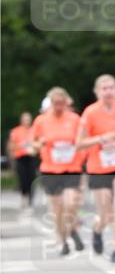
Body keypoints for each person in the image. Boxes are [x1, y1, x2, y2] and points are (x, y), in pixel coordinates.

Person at [77, 74, 115, 268]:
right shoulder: (90, 113)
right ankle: (97, 229)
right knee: (106, 215)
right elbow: (79, 143)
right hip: (98, 167)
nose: (109, 91)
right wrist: (101, 139)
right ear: (97, 92)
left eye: (111, 88)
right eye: (104, 88)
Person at [32, 88, 85, 255]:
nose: (59, 107)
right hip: (50, 169)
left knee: (70, 203)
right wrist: (39, 144)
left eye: (62, 103)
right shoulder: (41, 121)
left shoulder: (75, 119)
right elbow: (32, 145)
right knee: (57, 208)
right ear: (50, 103)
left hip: (71, 167)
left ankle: (71, 228)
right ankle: (62, 241)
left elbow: (83, 141)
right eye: (55, 103)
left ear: (66, 103)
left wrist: (79, 154)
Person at [8, 112, 36, 208]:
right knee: (23, 178)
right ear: (21, 120)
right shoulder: (16, 131)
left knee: (32, 178)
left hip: (31, 157)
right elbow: (11, 146)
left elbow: (38, 143)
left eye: (28, 119)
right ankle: (24, 196)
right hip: (21, 158)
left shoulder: (34, 130)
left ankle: (31, 199)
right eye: (25, 119)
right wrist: (21, 145)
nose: (27, 122)